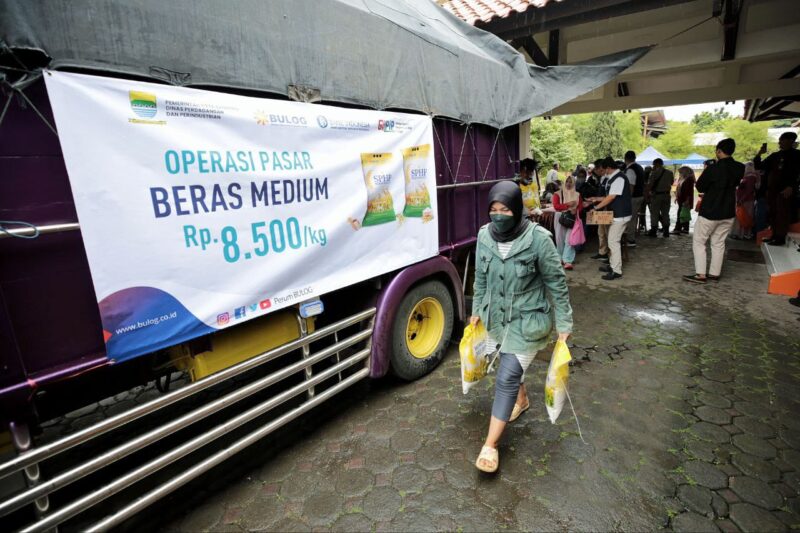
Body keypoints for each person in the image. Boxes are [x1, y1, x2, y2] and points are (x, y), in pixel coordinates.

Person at [470, 181, 573, 473]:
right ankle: (523, 399)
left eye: (505, 209)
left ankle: (490, 445)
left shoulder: (539, 239)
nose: (499, 215)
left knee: (506, 376)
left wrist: (564, 323)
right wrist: (476, 311)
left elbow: (557, 283)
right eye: (493, 209)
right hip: (496, 319)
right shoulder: (484, 237)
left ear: (517, 208)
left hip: (528, 320)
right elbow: (480, 279)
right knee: (506, 362)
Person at [683, 138, 744, 284]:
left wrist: (707, 172)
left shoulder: (713, 168)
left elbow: (701, 187)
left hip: (710, 210)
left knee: (699, 241)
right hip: (728, 210)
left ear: (718, 151)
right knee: (719, 243)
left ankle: (700, 274)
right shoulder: (740, 167)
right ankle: (714, 274)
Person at [754, 131, 800, 246]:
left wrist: (792, 186)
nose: (779, 142)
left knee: (782, 214)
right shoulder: (775, 156)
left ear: (790, 141)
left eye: (782, 140)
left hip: (786, 191)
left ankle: (780, 238)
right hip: (772, 190)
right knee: (772, 213)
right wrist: (760, 153)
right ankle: (774, 235)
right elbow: (759, 165)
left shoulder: (797, 155)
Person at [590, 156, 631, 280]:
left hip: (621, 215)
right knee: (611, 240)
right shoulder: (613, 178)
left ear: (608, 168)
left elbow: (611, 197)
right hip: (616, 214)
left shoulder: (619, 178)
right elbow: (609, 196)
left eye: (603, 169)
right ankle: (613, 264)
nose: (603, 171)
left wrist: (596, 208)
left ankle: (616, 270)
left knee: (613, 242)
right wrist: (596, 199)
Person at [552, 175, 582, 270]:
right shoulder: (557, 194)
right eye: (567, 182)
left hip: (572, 218)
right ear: (564, 183)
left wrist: (576, 210)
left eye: (571, 182)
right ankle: (559, 258)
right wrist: (568, 205)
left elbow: (580, 206)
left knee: (570, 239)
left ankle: (567, 260)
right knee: (559, 239)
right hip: (560, 217)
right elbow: (556, 206)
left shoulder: (577, 194)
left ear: (573, 183)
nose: (568, 184)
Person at [646, 158, 674, 237]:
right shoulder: (670, 172)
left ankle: (654, 230)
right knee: (665, 213)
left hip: (656, 195)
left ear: (656, 164)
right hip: (667, 195)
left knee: (654, 213)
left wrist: (648, 194)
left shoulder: (654, 173)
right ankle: (666, 231)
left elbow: (650, 185)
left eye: (654, 164)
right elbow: (671, 182)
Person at [623, 150, 645, 247]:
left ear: (625, 159)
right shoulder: (639, 167)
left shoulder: (630, 169)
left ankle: (630, 240)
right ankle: (631, 238)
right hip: (640, 195)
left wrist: (627, 198)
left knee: (630, 218)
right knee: (633, 217)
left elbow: (631, 186)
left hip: (633, 197)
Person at [589, 159, 610, 260]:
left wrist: (596, 202)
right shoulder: (602, 179)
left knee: (605, 232)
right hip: (600, 207)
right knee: (600, 231)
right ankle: (602, 252)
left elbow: (607, 197)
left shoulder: (608, 179)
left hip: (605, 208)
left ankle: (606, 254)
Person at [732, 162, 757, 240]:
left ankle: (743, 234)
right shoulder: (746, 177)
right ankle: (740, 234)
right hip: (743, 201)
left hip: (747, 201)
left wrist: (742, 199)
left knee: (745, 217)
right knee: (741, 217)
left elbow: (749, 190)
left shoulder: (751, 177)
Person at [673, 166, 696, 235]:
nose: (680, 173)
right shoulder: (684, 179)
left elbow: (688, 191)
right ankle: (685, 228)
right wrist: (677, 197)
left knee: (681, 213)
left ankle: (678, 229)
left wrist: (687, 200)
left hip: (685, 200)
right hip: (682, 199)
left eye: (681, 172)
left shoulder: (688, 179)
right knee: (684, 213)